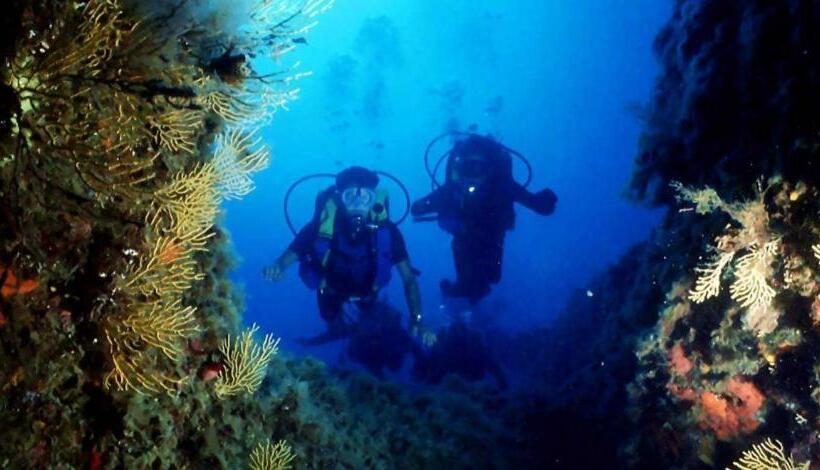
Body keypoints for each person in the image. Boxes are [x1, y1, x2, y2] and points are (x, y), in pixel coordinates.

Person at [265, 166, 431, 345]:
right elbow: (286, 258)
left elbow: (409, 279)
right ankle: (337, 329)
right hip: (330, 290)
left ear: (374, 201)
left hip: (367, 291)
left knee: (370, 319)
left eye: (365, 197)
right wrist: (277, 267)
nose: (358, 204)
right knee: (330, 316)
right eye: (350, 196)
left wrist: (418, 318)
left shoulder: (389, 232)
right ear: (340, 199)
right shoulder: (318, 227)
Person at [411, 134, 557, 304]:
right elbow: (417, 208)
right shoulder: (451, 190)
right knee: (466, 264)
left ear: (488, 170)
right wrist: (425, 206)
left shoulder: (502, 187)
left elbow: (536, 204)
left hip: (492, 236)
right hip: (464, 238)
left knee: (493, 278)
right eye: (467, 168)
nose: (472, 176)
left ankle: (474, 290)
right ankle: (468, 289)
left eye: (477, 168)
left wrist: (545, 202)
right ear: (459, 169)